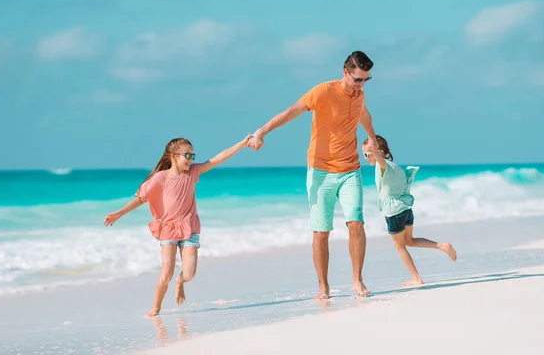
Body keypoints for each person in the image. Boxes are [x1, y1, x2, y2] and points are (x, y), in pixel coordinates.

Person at [248, 51, 379, 300]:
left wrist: (372, 138)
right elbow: (292, 111)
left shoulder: (360, 95)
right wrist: (261, 132)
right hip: (320, 170)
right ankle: (323, 286)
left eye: (365, 80)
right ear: (345, 72)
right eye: (357, 79)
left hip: (350, 169)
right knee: (321, 231)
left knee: (356, 223)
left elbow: (365, 115)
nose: (361, 85)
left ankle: (357, 279)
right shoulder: (323, 92)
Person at [104, 135, 252, 317]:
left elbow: (218, 158)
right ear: (174, 156)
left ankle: (179, 283)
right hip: (169, 229)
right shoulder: (160, 178)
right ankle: (156, 308)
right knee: (166, 271)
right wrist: (119, 213)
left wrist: (242, 144)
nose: (190, 160)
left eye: (192, 156)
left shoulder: (192, 173)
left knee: (189, 274)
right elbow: (141, 198)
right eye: (186, 155)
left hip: (189, 227)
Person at [362, 135, 457, 286]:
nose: (366, 158)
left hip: (394, 212)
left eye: (367, 154)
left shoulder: (383, 166)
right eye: (364, 155)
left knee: (400, 246)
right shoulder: (396, 168)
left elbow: (379, 160)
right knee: (409, 241)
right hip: (406, 209)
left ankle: (416, 278)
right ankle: (442, 246)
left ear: (376, 151)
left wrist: (374, 153)